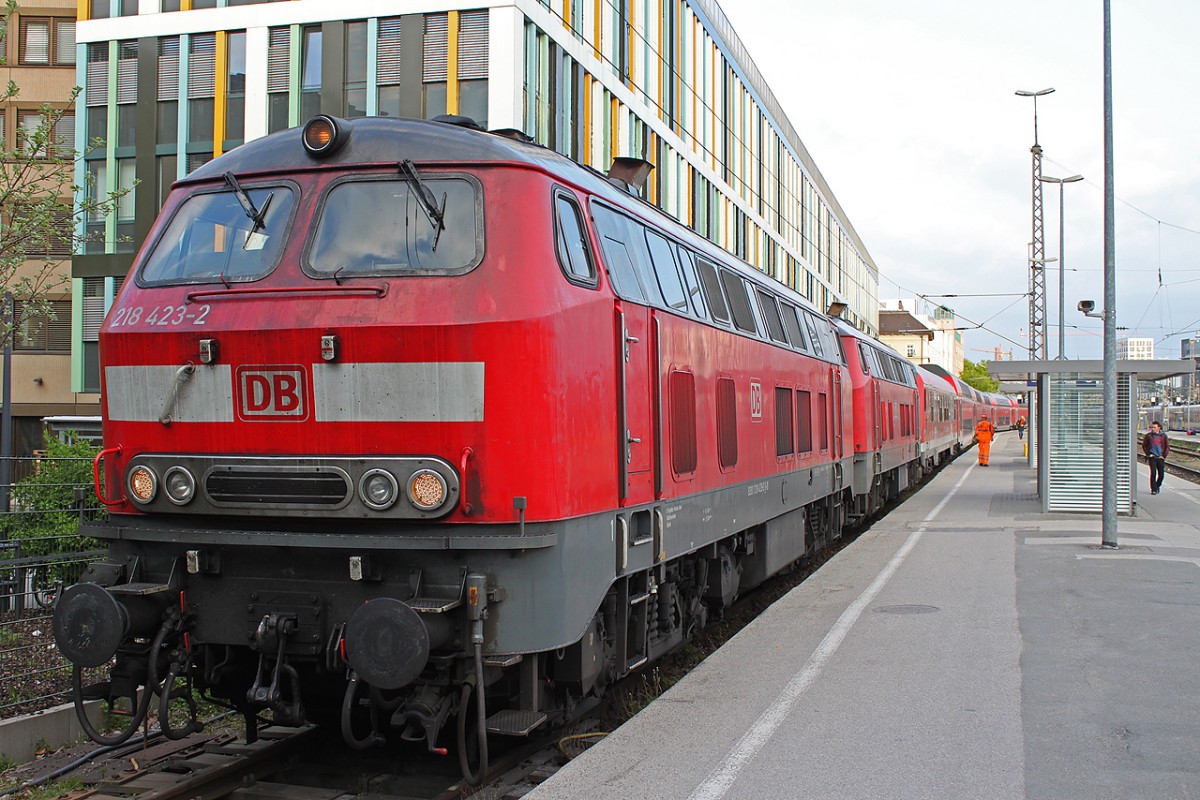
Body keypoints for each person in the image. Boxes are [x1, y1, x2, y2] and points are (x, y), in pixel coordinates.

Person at [1143, 420, 1169, 495]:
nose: (1153, 429)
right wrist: (1148, 454)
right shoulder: (1149, 436)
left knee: (1161, 474)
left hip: (1160, 457)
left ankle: (1157, 486)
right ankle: (1153, 489)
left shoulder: (1163, 436)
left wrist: (1163, 456)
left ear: (1159, 428)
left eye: (1154, 427)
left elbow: (1167, 446)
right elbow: (1144, 445)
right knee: (1153, 473)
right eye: (1152, 427)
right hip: (1152, 457)